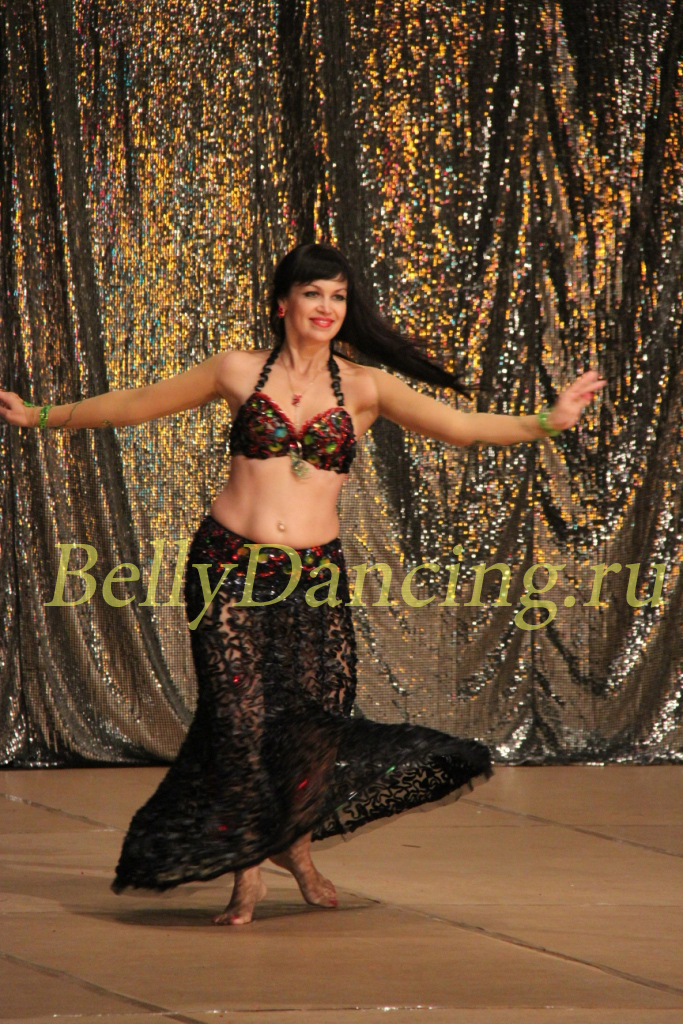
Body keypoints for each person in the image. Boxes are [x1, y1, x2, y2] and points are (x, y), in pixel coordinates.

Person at [0, 242, 606, 925]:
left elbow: (461, 428)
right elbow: (137, 404)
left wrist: (547, 422)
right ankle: (247, 874)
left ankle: (296, 845)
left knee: (313, 727)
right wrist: (42, 415)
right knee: (239, 720)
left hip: (313, 576)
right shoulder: (236, 370)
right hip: (227, 564)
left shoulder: (366, 387)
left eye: (338, 296)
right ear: (281, 303)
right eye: (314, 293)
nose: (326, 307)